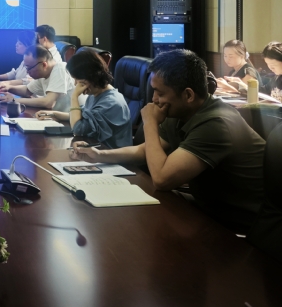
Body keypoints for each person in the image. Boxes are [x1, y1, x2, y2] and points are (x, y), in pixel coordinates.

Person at [72, 49, 265, 232]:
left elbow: (162, 179)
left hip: (237, 225)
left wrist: (150, 123)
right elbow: (144, 150)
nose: (154, 99)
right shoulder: (180, 112)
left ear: (188, 95)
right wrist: (99, 155)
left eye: (160, 93)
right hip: (209, 207)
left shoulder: (216, 123)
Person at [35, 49, 132, 149]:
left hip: (110, 155)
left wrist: (74, 96)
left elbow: (78, 129)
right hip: (95, 150)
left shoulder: (110, 103)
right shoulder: (96, 94)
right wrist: (54, 114)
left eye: (79, 81)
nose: (75, 84)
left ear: (92, 77)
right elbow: (82, 117)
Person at [0, 45, 76, 112]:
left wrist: (14, 100)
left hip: (70, 121)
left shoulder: (60, 68)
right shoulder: (44, 74)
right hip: (55, 117)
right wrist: (8, 88)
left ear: (44, 65)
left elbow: (48, 102)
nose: (27, 72)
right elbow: (27, 91)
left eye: (29, 68)